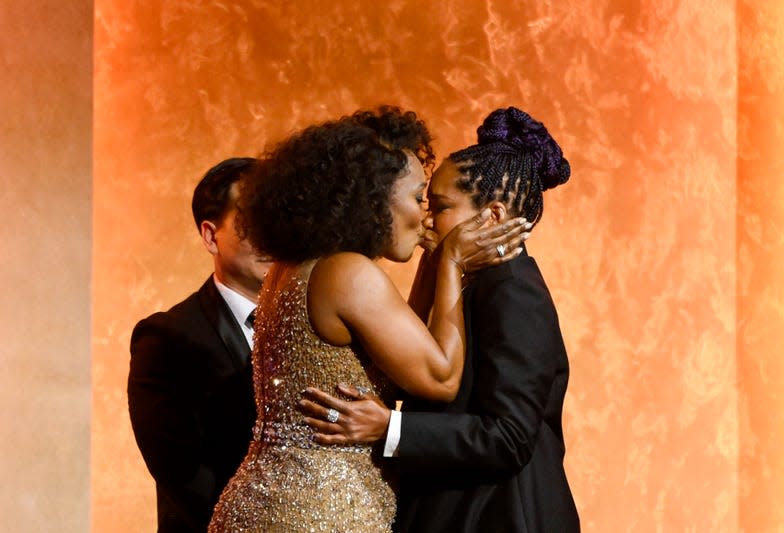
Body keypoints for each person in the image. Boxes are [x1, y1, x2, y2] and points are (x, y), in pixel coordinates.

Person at [207, 107, 529, 532]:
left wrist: (432, 265)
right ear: (374, 198)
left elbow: (396, 358)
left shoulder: (296, 267)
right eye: (417, 198)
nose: (426, 217)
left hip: (264, 505)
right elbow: (440, 375)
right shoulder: (348, 273)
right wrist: (451, 262)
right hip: (318, 514)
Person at [300, 106, 581, 532]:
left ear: (494, 216)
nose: (428, 219)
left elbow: (508, 437)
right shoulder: (474, 282)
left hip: (500, 518)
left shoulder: (514, 291)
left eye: (441, 206)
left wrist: (390, 428)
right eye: (424, 202)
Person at [128, 158, 271, 533]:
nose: (271, 235)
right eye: (252, 219)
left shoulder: (318, 323)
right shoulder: (167, 337)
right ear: (211, 236)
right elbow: (182, 473)